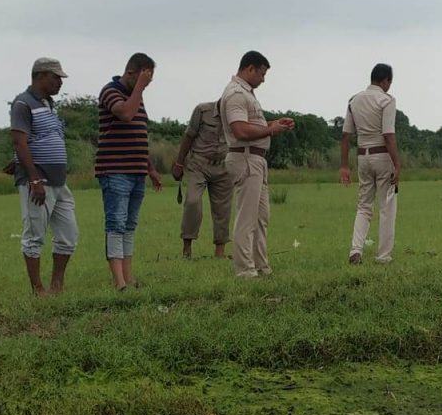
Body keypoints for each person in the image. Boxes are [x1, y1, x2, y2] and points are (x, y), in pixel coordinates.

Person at [220, 50, 294, 277]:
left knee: (261, 217)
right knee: (247, 217)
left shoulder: (247, 94)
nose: (263, 79)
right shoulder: (235, 94)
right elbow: (240, 129)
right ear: (249, 68)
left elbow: (252, 124)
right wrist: (271, 129)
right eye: (261, 73)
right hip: (245, 157)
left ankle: (261, 265)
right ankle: (245, 269)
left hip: (256, 158)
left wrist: (274, 124)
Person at [9, 57, 78, 296]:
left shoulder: (49, 104)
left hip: (59, 181)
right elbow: (19, 140)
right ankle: (38, 288)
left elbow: (36, 139)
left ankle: (57, 284)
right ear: (40, 76)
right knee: (34, 234)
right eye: (55, 77)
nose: (60, 82)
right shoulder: (23, 103)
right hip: (39, 181)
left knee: (69, 235)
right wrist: (34, 178)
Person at [96, 53, 163, 290]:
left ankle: (128, 277)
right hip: (115, 170)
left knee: (130, 225)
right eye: (145, 76)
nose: (148, 82)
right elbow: (125, 114)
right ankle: (119, 282)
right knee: (116, 223)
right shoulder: (110, 90)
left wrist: (151, 169)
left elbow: (138, 136)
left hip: (136, 171)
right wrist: (139, 90)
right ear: (131, 72)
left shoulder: (137, 98)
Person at [339, 63, 400, 264]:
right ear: (386, 81)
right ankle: (383, 256)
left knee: (364, 206)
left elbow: (346, 135)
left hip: (362, 157)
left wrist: (344, 165)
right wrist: (397, 164)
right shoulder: (387, 100)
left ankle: (355, 250)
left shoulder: (354, 100)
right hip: (382, 155)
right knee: (386, 206)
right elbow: (388, 134)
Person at [171, 102, 231, 259]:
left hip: (224, 165)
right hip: (199, 164)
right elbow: (189, 136)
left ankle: (220, 252)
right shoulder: (202, 110)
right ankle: (187, 249)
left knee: (222, 209)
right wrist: (179, 163)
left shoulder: (237, 112)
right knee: (192, 201)